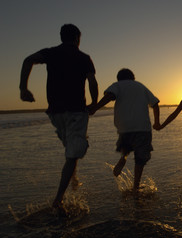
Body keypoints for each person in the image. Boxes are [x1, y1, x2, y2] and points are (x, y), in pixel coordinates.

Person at [19, 24, 99, 208]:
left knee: (71, 147)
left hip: (55, 113)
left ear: (62, 37)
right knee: (74, 151)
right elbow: (92, 82)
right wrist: (94, 103)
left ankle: (73, 177)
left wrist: (23, 88)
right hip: (76, 111)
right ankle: (58, 199)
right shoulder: (83, 57)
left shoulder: (51, 53)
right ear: (77, 38)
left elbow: (27, 60)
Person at [89, 68, 160, 192]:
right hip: (142, 126)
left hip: (124, 127)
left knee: (126, 145)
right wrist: (157, 122)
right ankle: (135, 186)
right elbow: (155, 104)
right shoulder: (141, 86)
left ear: (118, 78)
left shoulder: (117, 85)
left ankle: (123, 158)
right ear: (133, 77)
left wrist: (95, 107)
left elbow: (109, 96)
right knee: (140, 157)